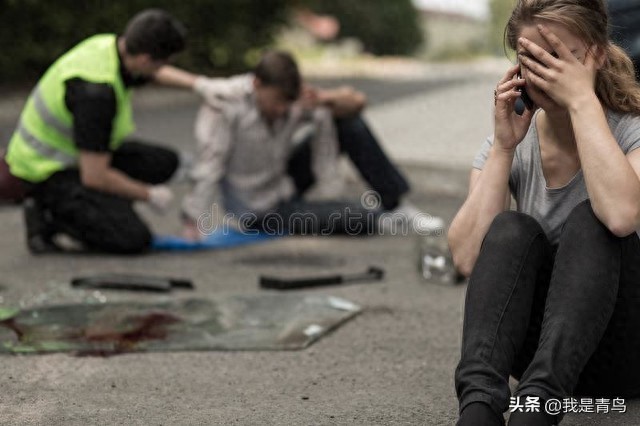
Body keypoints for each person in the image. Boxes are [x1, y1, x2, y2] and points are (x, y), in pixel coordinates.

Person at [448, 1, 640, 425]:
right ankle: (478, 406)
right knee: (510, 228)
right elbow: (466, 258)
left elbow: (621, 217)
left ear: (597, 55)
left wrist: (582, 101)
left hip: (622, 353)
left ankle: (536, 408)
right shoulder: (511, 141)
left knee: (594, 221)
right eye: (534, 59)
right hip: (536, 352)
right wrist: (503, 149)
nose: (547, 74)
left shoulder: (631, 129)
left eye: (561, 57)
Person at [6, 9, 211, 254]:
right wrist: (148, 194)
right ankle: (48, 214)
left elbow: (156, 75)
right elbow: (94, 176)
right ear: (145, 60)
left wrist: (201, 85)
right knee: (132, 238)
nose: (163, 69)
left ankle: (104, 204)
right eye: (162, 63)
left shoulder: (112, 48)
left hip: (76, 153)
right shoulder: (95, 95)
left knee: (164, 163)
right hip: (45, 171)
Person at [175, 50, 441, 238]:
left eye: (287, 103)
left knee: (349, 124)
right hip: (257, 209)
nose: (282, 110)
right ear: (256, 84)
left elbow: (357, 104)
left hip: (283, 181)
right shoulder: (225, 104)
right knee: (356, 217)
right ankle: (379, 217)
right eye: (277, 102)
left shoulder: (291, 98)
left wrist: (323, 98)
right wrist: (193, 218)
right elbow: (210, 164)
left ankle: (396, 204)